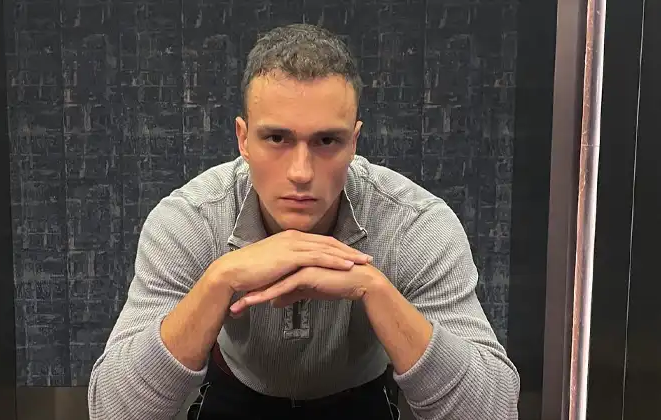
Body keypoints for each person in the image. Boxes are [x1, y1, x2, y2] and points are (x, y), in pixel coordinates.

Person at [88, 23, 519, 420]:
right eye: (276, 138)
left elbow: (495, 410)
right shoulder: (191, 220)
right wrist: (219, 280)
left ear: (354, 142)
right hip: (236, 393)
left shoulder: (414, 225)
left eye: (327, 140)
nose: (300, 172)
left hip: (359, 398)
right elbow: (113, 410)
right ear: (243, 138)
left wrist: (375, 290)